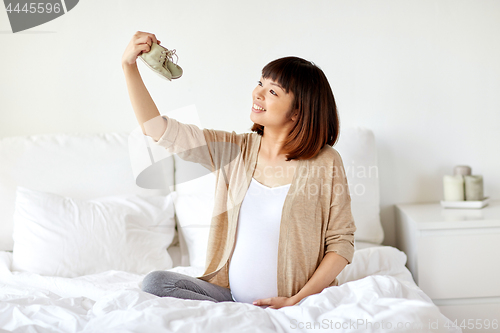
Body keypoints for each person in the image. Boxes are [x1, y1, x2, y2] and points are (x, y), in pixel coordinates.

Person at [122, 31, 356, 310]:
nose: (257, 93)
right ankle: (236, 315)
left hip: (298, 302)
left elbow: (341, 243)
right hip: (229, 298)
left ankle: (250, 316)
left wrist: (296, 299)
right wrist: (129, 67)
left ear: (297, 112)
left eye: (272, 91)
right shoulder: (234, 149)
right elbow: (158, 130)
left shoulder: (326, 162)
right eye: (260, 82)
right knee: (155, 283)